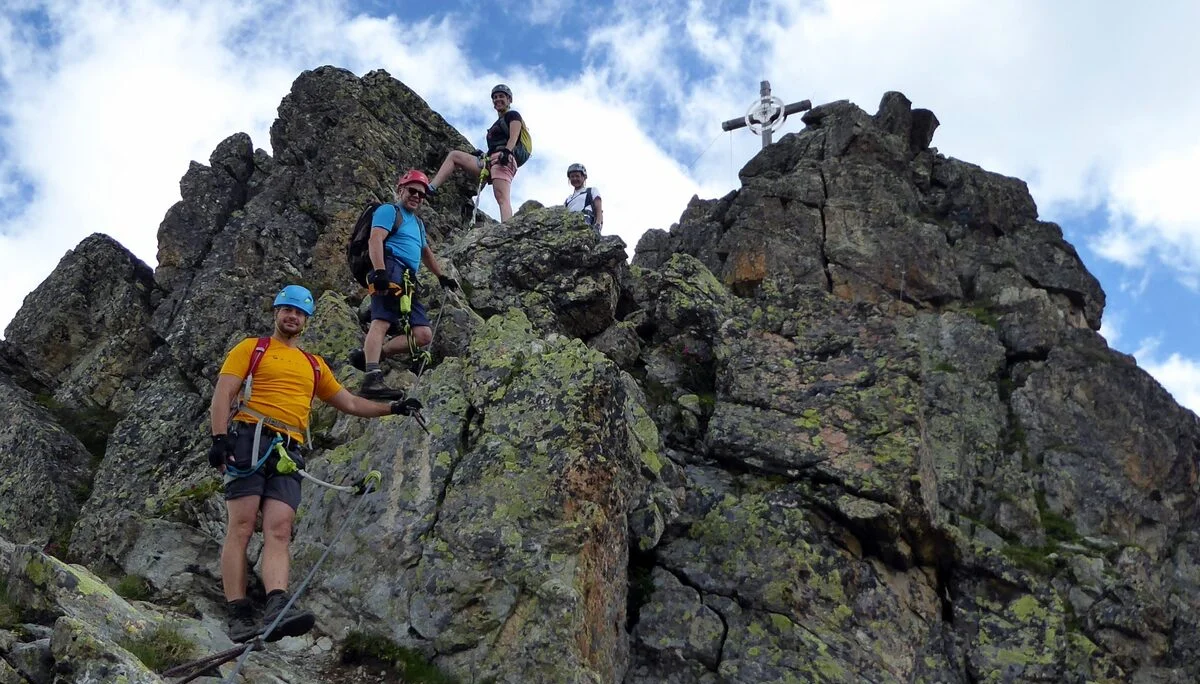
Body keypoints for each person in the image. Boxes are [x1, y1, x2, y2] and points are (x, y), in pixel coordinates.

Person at [208, 285, 422, 643]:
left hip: (288, 448)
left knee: (280, 528)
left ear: (306, 321)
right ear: (276, 313)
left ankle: (277, 602)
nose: (292, 317)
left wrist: (393, 408)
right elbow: (224, 391)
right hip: (249, 438)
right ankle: (238, 610)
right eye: (287, 310)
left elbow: (351, 404)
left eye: (299, 313)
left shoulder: (313, 365)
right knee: (242, 526)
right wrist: (219, 438)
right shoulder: (252, 348)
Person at [348, 170, 458, 399]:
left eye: (422, 194)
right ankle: (371, 378)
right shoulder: (389, 210)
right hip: (389, 266)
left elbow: (425, 252)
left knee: (423, 334)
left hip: (408, 277)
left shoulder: (418, 224)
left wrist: (441, 276)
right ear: (401, 189)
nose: (417, 196)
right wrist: (379, 271)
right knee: (382, 321)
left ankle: (377, 355)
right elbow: (375, 238)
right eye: (413, 191)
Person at [428, 84, 523, 222]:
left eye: (501, 96)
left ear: (509, 99)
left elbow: (514, 136)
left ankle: (508, 228)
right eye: (495, 97)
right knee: (455, 156)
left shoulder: (513, 115)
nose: (497, 99)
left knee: (501, 197)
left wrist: (507, 152)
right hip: (490, 160)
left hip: (503, 159)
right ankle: (431, 187)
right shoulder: (497, 123)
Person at [563, 163, 603, 231]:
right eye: (572, 176)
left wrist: (598, 224)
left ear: (584, 177)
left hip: (586, 223)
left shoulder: (591, 191)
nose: (575, 178)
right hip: (569, 226)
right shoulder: (568, 200)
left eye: (577, 176)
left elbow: (598, 209)